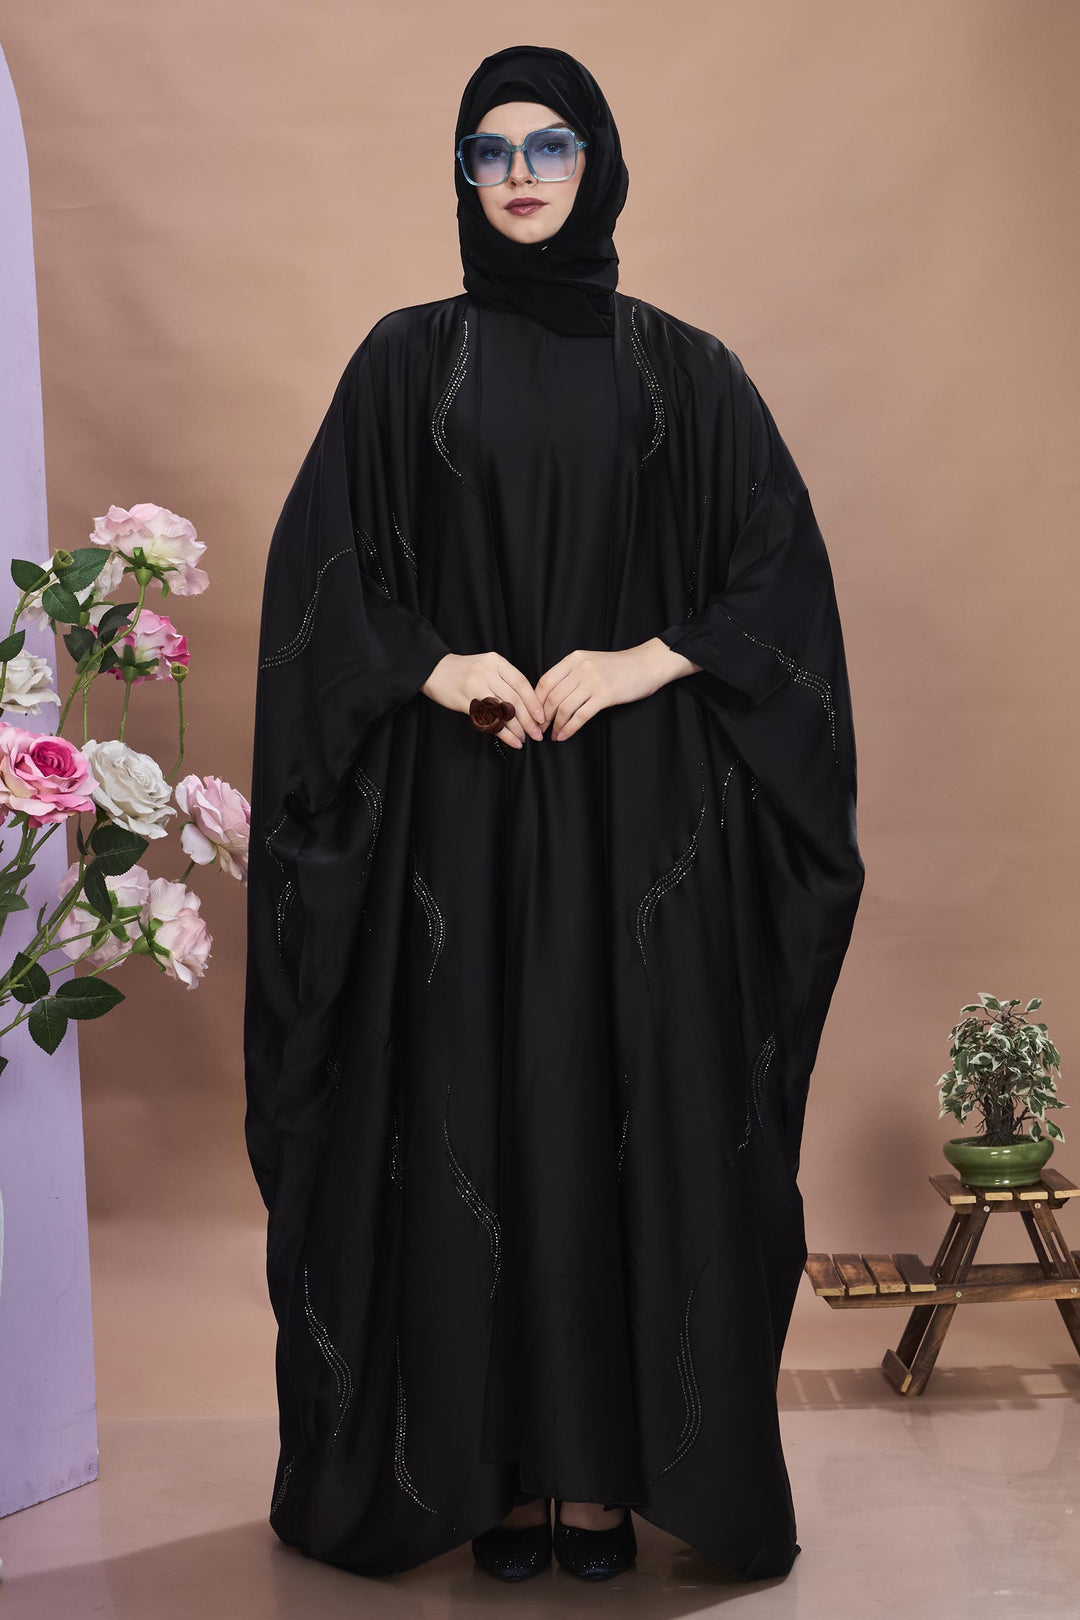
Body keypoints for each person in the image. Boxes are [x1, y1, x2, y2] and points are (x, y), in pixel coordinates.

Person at [243, 42, 865, 1586]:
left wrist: (647, 657)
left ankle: (597, 1485)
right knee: (472, 1116)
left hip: (642, 828)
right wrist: (438, 664)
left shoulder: (687, 372)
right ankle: (495, 1482)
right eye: (491, 149)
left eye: (551, 146)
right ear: (462, 175)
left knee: (614, 1119)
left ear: (600, 164)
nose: (519, 175)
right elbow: (323, 578)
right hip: (454, 820)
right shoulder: (405, 363)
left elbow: (777, 576)